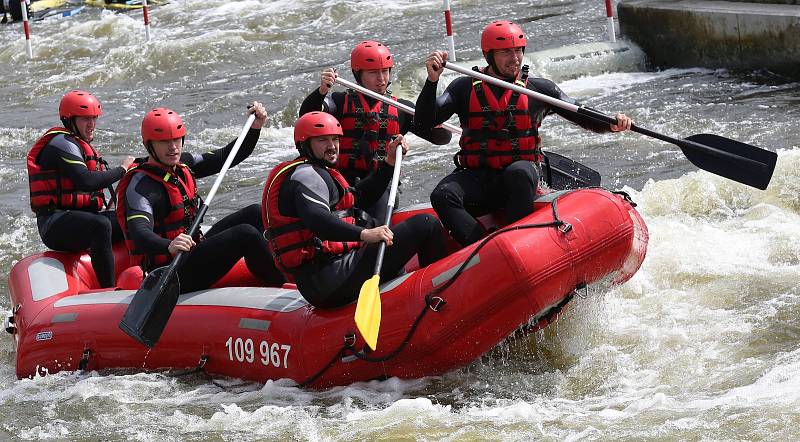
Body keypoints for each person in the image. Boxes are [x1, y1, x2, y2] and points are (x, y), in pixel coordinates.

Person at [416, 20, 634, 247]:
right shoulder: (463, 88)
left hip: (522, 177)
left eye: (518, 50)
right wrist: (432, 81)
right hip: (478, 179)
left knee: (518, 173)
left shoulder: (539, 90)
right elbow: (424, 122)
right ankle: (481, 249)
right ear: (488, 55)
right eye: (506, 52)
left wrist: (611, 123)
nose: (515, 58)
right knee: (442, 195)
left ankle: (517, 242)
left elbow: (579, 112)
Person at [261, 112, 448, 309]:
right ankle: (439, 296)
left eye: (335, 139)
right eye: (323, 140)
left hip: (327, 277)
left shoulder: (317, 172)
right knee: (426, 225)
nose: (332, 146)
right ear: (305, 144)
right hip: (330, 278)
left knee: (398, 240)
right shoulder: (306, 175)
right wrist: (364, 234)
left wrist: (389, 162)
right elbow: (317, 220)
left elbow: (358, 198)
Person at [116, 103, 284, 293]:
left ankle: (282, 267)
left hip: (193, 251)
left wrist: (255, 127)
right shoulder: (141, 186)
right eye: (164, 142)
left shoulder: (182, 165)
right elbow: (140, 234)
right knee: (245, 234)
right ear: (149, 145)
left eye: (177, 140)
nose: (173, 148)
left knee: (255, 212)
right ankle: (283, 286)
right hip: (170, 272)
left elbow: (226, 156)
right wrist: (168, 245)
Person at [298, 40, 452, 221]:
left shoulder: (402, 109)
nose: (381, 79)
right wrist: (322, 91)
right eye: (373, 73)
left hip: (380, 183)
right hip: (341, 181)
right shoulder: (338, 102)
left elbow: (443, 138)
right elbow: (307, 115)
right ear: (358, 74)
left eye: (385, 71)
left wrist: (430, 106)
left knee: (373, 220)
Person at [27, 90, 134, 288]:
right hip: (54, 223)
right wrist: (122, 169)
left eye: (94, 118)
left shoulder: (77, 143)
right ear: (70, 120)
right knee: (100, 226)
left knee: (132, 217)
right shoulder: (61, 143)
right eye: (86, 119)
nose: (92, 124)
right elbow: (86, 181)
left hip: (80, 217)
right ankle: (109, 291)